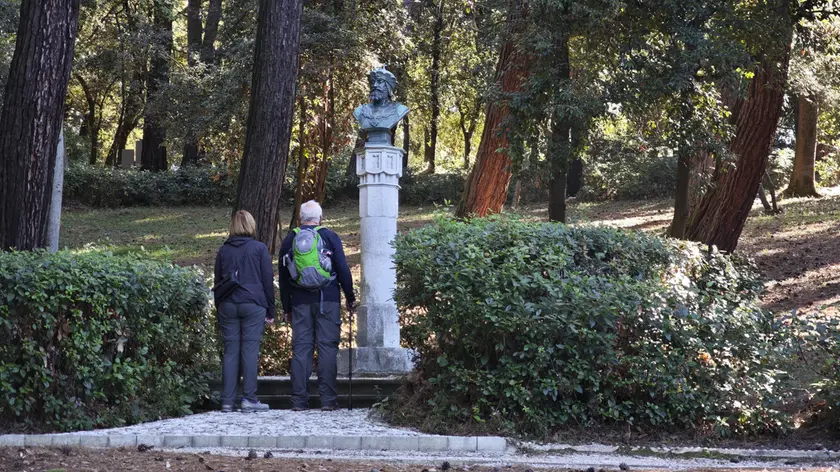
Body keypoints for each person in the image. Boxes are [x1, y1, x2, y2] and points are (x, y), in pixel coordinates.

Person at [279, 200, 356, 411]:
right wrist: (350, 296)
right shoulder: (330, 236)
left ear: (300, 218)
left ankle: (299, 401)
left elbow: (284, 277)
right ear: (320, 218)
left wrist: (287, 308)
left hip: (300, 301)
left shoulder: (290, 239)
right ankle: (328, 401)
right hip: (327, 299)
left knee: (301, 349)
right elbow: (342, 268)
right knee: (327, 347)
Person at [213, 210, 275, 413]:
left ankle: (227, 401)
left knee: (231, 351)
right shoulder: (259, 248)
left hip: (228, 304)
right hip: (253, 304)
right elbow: (267, 281)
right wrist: (271, 310)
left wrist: (219, 306)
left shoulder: (223, 250)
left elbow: (217, 281)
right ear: (251, 225)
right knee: (249, 350)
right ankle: (249, 398)